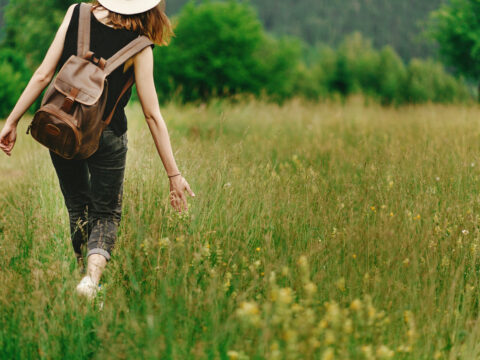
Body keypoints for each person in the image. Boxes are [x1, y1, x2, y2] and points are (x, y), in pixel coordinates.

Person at [0, 0, 195, 299]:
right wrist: (173, 174)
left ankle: (85, 279)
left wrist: (12, 121)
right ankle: (91, 282)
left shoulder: (77, 13)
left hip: (62, 128)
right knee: (105, 214)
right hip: (108, 136)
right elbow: (152, 114)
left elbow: (43, 74)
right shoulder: (140, 44)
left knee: (78, 206)